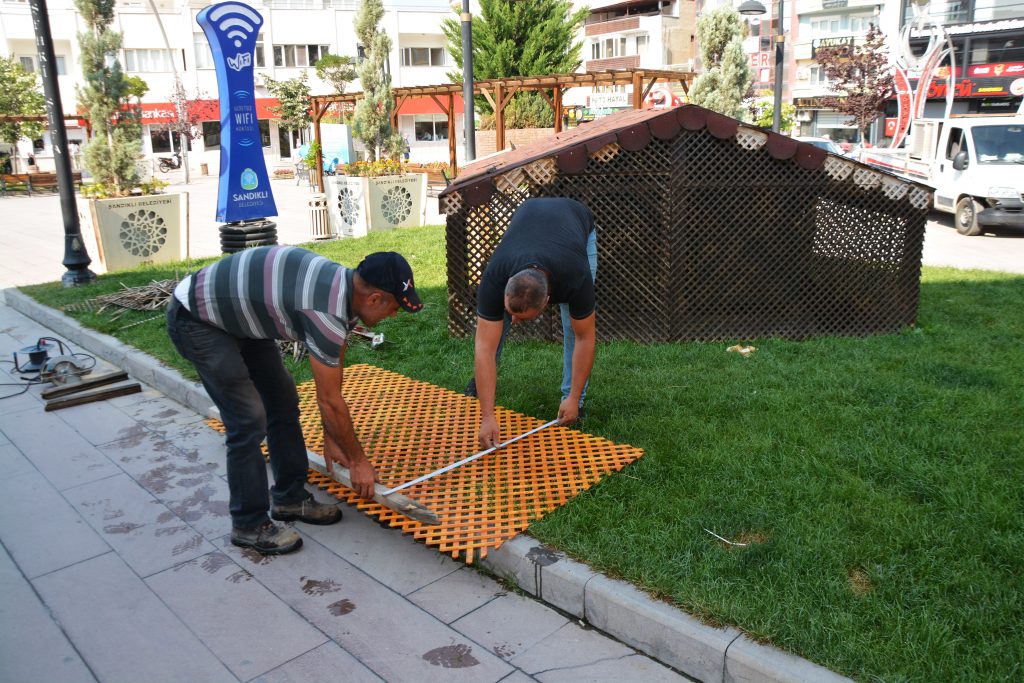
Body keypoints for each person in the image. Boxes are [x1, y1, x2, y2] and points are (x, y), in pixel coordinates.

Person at [166, 246, 423, 555]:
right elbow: (329, 400)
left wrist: (333, 437)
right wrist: (358, 462)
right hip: (197, 318)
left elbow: (332, 379)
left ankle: (289, 499)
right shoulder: (324, 310)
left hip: (242, 319)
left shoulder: (342, 292)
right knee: (248, 419)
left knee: (283, 401)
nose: (393, 315)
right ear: (374, 298)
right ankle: (248, 524)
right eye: (394, 307)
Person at [466, 197, 598, 449]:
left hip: (576, 221)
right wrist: (487, 416)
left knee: (573, 329)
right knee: (495, 328)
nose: (517, 322)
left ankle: (574, 404)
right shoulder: (495, 276)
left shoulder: (575, 277)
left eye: (524, 318)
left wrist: (573, 397)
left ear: (548, 299)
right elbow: (484, 347)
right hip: (529, 214)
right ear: (505, 290)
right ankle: (482, 386)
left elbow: (585, 338)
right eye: (512, 311)